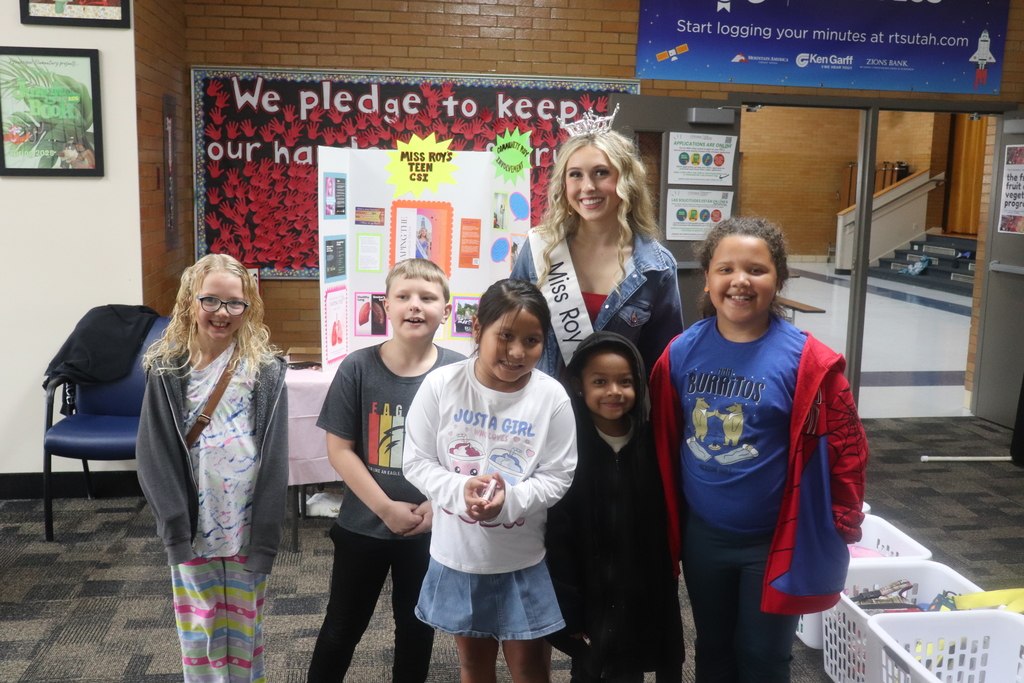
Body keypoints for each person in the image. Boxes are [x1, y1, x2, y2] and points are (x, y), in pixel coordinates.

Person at [650, 217, 868, 683]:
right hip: (704, 536)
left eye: (756, 270)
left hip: (774, 540)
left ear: (779, 280)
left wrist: (844, 516)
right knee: (713, 647)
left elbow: (847, 447)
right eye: (725, 269)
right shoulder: (680, 354)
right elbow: (662, 442)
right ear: (706, 279)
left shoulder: (807, 361)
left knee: (764, 655)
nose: (740, 281)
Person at [402, 279, 578, 683]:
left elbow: (557, 476)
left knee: (531, 667)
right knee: (473, 665)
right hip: (459, 555)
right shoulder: (442, 385)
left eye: (532, 340)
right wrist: (458, 492)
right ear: (477, 329)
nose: (517, 352)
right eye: (506, 336)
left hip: (523, 558)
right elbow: (416, 461)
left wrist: (509, 501)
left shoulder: (551, 398)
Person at [307, 258, 465, 683]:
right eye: (404, 297)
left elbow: (467, 450)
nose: (415, 306)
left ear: (446, 310)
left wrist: (436, 502)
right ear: (386, 306)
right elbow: (340, 450)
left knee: (416, 631)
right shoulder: (358, 368)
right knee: (342, 628)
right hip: (363, 527)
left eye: (428, 298)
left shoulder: (459, 371)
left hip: (432, 529)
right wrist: (386, 509)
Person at [137, 253, 289, 683]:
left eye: (234, 303)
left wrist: (268, 530)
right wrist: (173, 524)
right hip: (193, 523)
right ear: (189, 302)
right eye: (211, 301)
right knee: (200, 628)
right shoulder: (167, 369)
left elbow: (275, 455)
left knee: (244, 630)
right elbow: (154, 455)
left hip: (246, 520)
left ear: (248, 308)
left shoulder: (266, 370)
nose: (222, 313)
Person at [545, 331, 684, 683]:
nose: (614, 392)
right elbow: (557, 535)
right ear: (578, 385)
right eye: (600, 382)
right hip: (590, 594)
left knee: (631, 670)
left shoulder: (651, 444)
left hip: (644, 592)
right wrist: (570, 611)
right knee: (591, 671)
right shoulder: (567, 447)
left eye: (625, 381)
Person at [510, 121, 682, 379]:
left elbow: (661, 365)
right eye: (575, 174)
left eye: (601, 173)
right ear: (563, 183)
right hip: (542, 412)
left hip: (613, 413)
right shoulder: (539, 249)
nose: (588, 187)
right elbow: (509, 332)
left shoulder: (656, 266)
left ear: (626, 180)